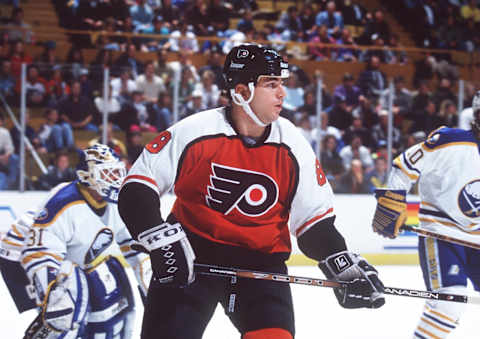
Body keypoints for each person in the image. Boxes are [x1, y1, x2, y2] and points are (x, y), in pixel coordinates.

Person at [118, 43, 385, 339]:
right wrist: (160, 241)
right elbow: (137, 188)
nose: (282, 93)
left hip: (260, 264)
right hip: (191, 257)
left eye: (282, 84)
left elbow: (313, 223)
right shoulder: (195, 131)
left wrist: (340, 261)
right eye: (271, 85)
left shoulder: (292, 144)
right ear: (241, 92)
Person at [371, 91, 480, 338]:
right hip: (442, 234)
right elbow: (405, 165)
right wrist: (393, 201)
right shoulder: (449, 141)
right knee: (448, 302)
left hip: (477, 238)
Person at [16, 144, 151, 338]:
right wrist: (52, 294)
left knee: (116, 303)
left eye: (116, 172)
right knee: (66, 310)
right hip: (31, 261)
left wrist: (149, 277)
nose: (115, 179)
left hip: (82, 265)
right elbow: (38, 253)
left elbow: (133, 244)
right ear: (86, 176)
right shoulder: (63, 203)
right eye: (107, 174)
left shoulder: (117, 202)